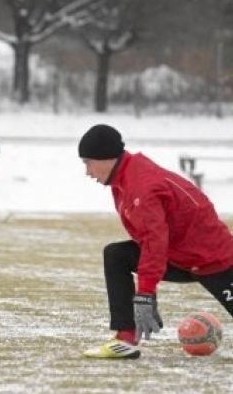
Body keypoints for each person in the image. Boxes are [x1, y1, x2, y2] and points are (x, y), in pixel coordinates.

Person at [78, 124, 233, 359]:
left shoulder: (141, 186)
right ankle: (126, 338)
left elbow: (154, 241)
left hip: (214, 260)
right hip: (179, 258)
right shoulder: (123, 179)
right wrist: (148, 291)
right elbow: (148, 241)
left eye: (88, 162)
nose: (87, 171)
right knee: (116, 255)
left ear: (106, 157)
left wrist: (146, 294)